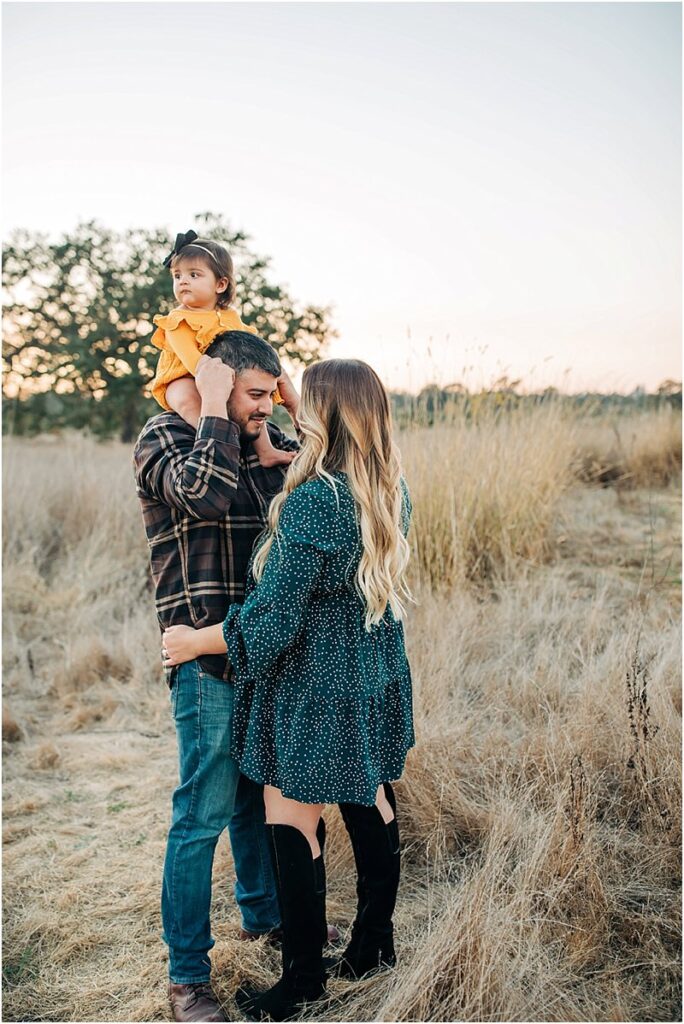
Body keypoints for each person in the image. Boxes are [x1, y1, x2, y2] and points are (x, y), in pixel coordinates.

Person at [162, 358, 415, 1022]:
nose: (284, 406)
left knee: (291, 817)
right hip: (374, 675)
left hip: (312, 688)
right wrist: (300, 431)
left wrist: (196, 641)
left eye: (299, 400)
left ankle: (301, 981)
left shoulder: (311, 503)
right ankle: (372, 946)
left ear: (322, 416)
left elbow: (273, 623)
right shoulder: (390, 487)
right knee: (371, 798)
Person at [134, 330, 305, 1023]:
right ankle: (187, 979)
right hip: (201, 657)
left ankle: (263, 917)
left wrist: (293, 405)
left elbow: (327, 478)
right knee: (201, 814)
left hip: (259, 651)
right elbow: (201, 497)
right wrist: (210, 410)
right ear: (215, 384)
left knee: (253, 796)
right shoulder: (165, 440)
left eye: (274, 393)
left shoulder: (258, 443)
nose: (266, 407)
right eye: (256, 394)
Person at [149, 228, 292, 469]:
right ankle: (217, 441)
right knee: (186, 399)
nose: (183, 280)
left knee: (252, 399)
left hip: (226, 375)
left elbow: (250, 350)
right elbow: (194, 361)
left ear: (221, 284)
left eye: (194, 275)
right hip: (183, 376)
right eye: (177, 276)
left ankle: (267, 451)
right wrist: (219, 384)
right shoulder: (175, 321)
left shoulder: (230, 317)